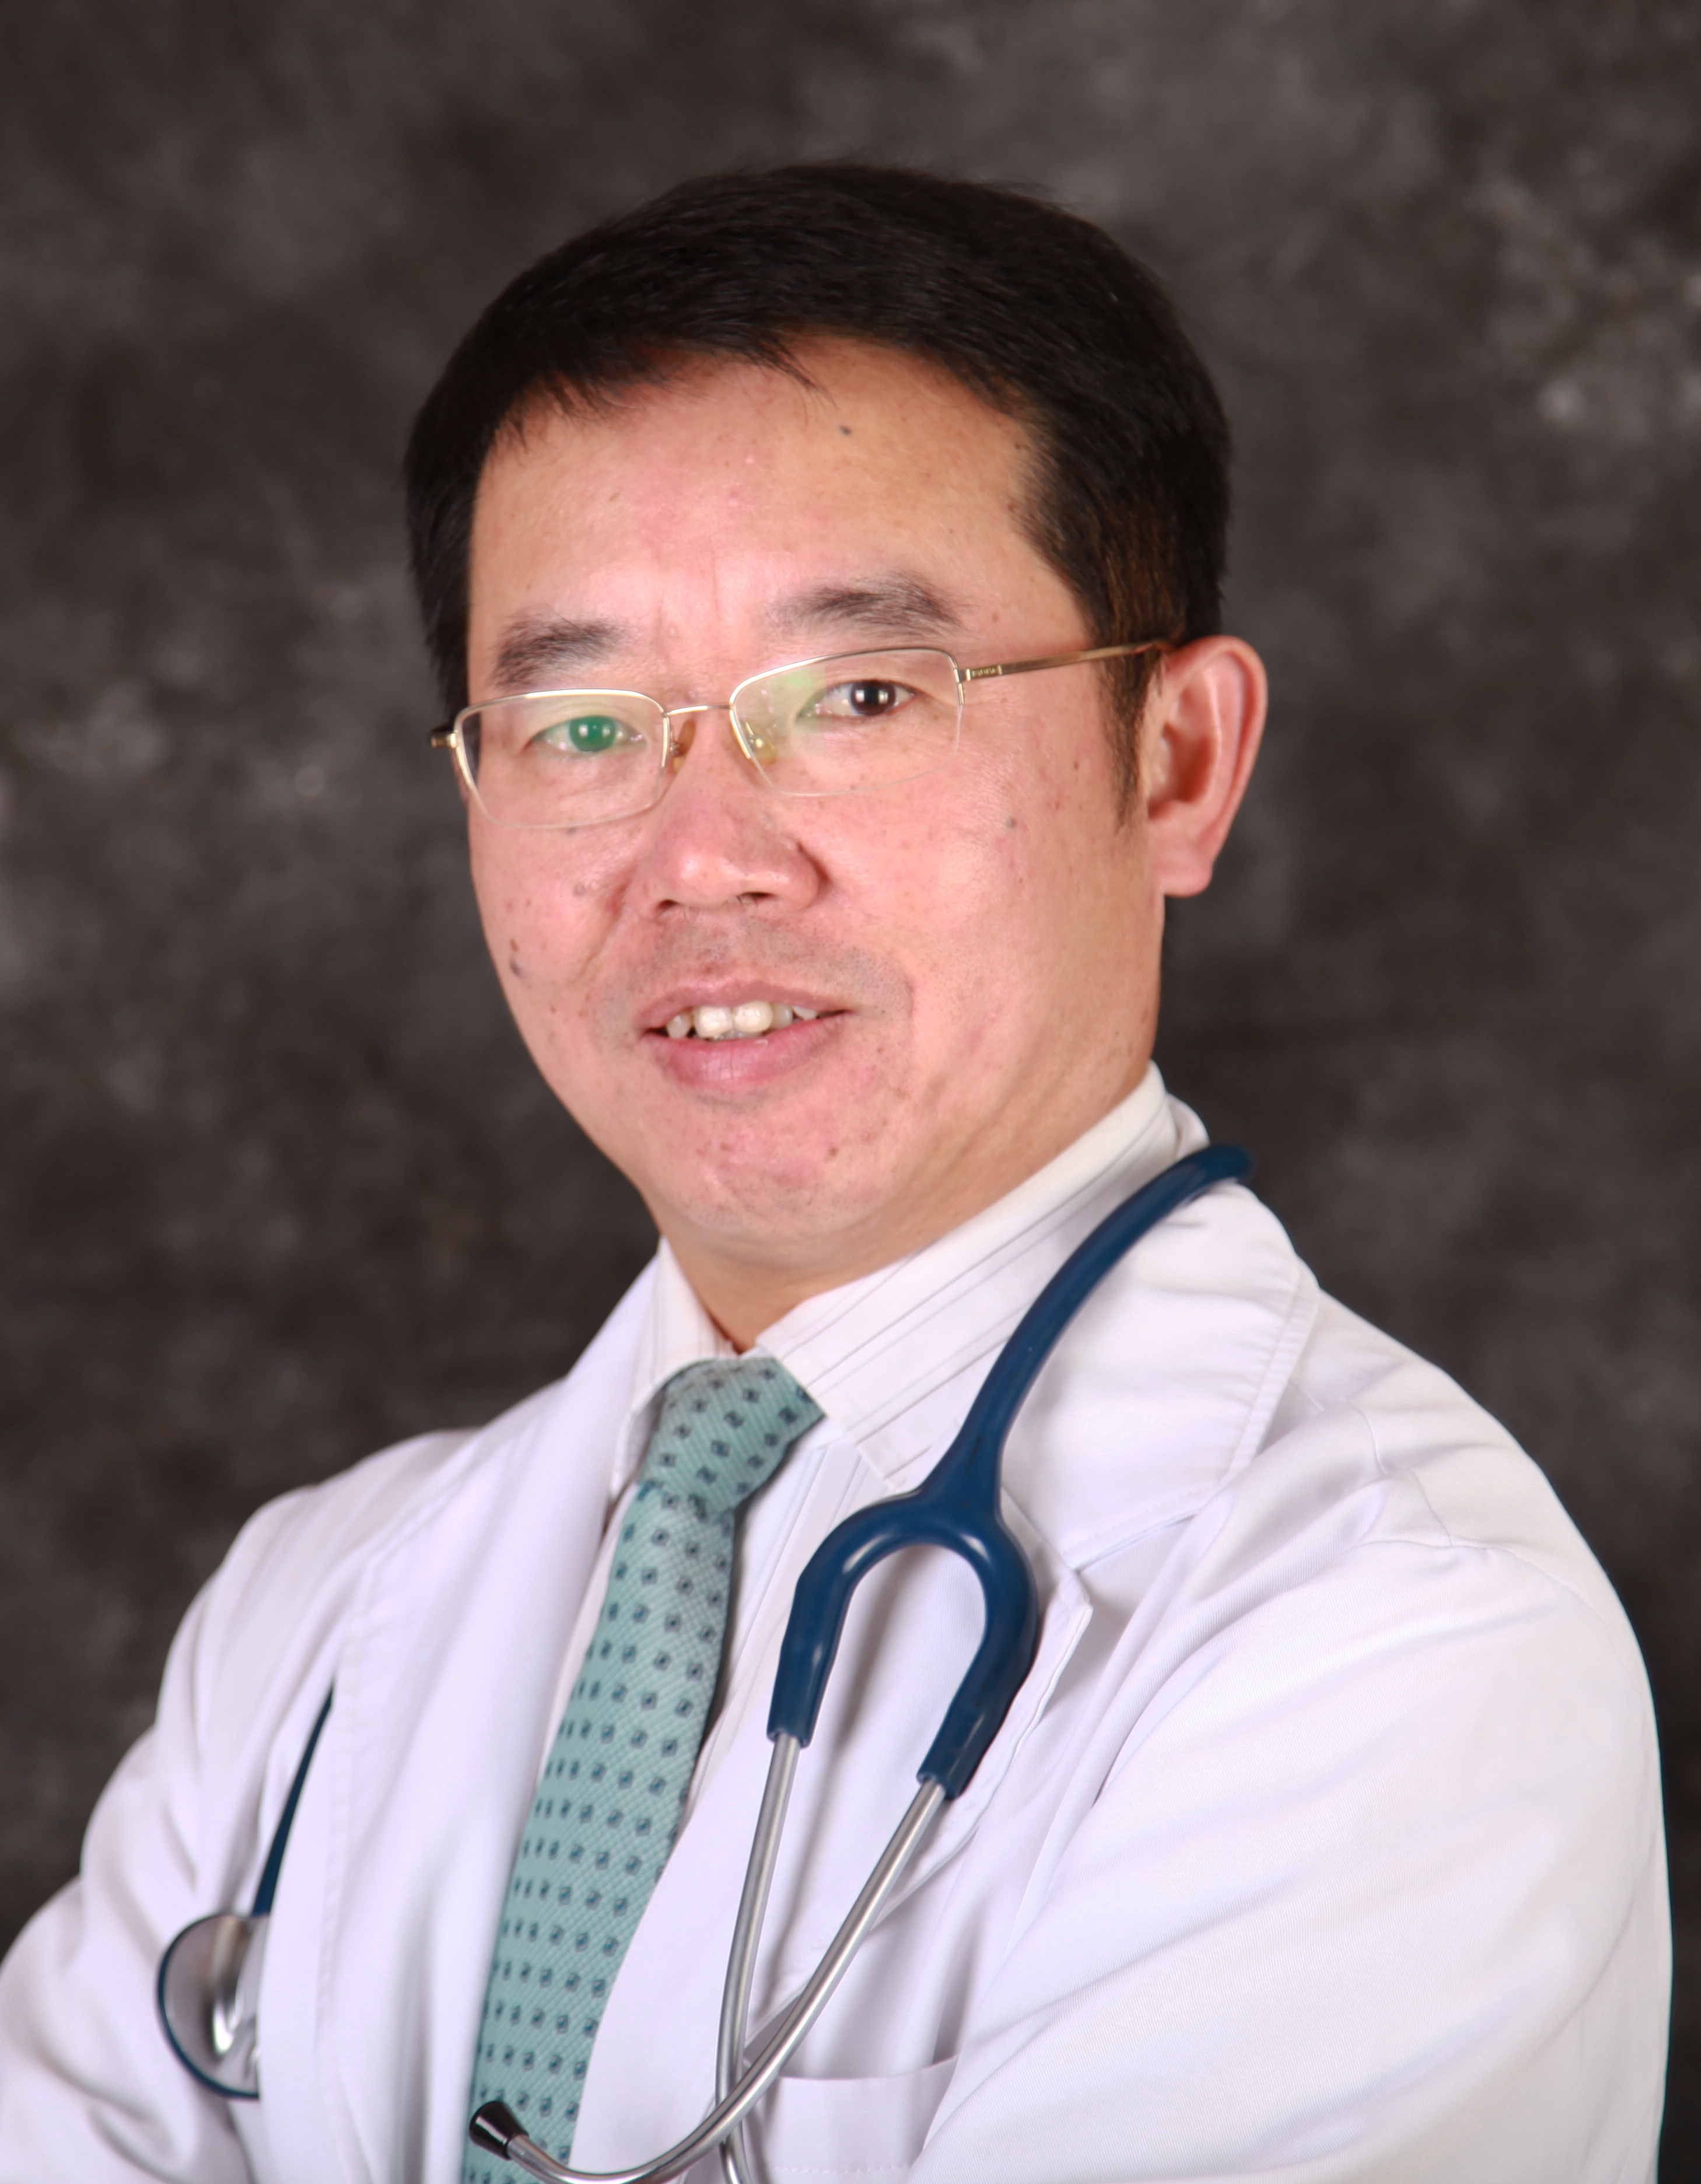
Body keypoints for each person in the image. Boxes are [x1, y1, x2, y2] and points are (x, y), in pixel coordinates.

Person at [0, 165, 1669, 2184]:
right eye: (581, 724)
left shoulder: (1389, 1636)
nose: (701, 859)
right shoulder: (318, 1608)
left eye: (863, 696)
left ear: (1176, 763)